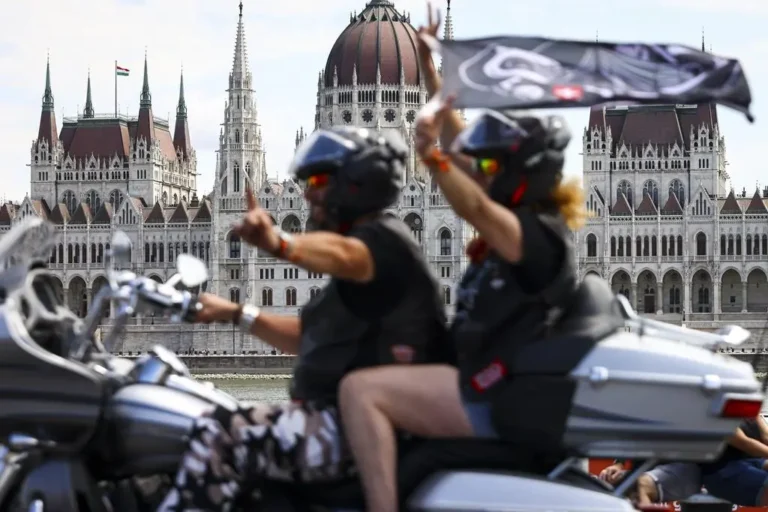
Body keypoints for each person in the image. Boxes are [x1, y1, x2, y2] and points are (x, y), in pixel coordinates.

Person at [337, 14, 587, 512]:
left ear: (519, 176)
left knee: (360, 390)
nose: (480, 170)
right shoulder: (524, 224)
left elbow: (473, 204)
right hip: (486, 383)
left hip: (502, 398)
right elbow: (463, 148)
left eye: (491, 166)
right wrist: (432, 72)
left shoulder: (534, 237)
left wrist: (429, 157)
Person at [157, 126, 452, 511]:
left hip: (355, 431)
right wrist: (235, 313)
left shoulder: (383, 242)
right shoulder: (365, 260)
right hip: (335, 417)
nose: (307, 194)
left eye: (317, 183)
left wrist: (279, 243)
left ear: (353, 187)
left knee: (219, 432)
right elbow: (309, 338)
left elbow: (343, 254)